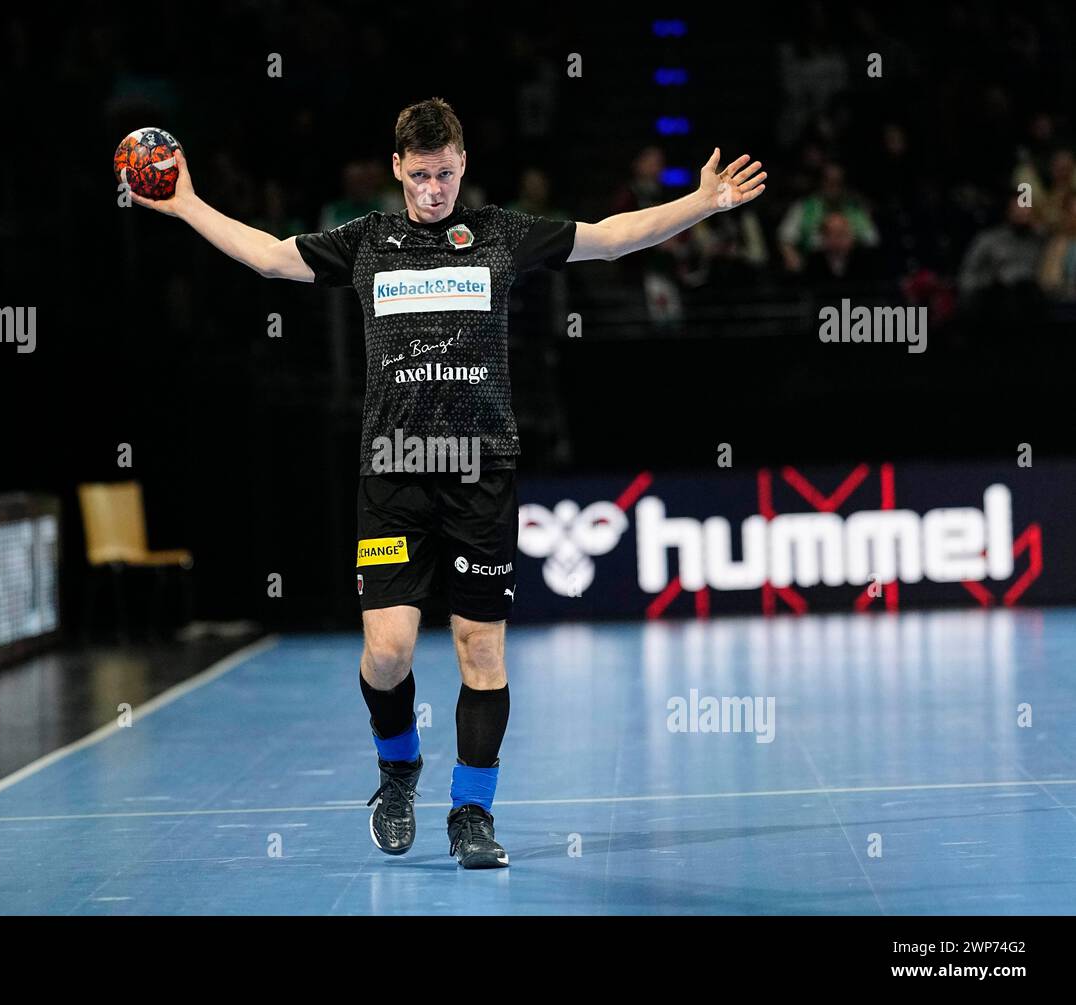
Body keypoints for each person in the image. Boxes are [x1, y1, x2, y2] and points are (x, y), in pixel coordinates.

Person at [129, 97, 765, 868]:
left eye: (447, 174)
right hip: (393, 472)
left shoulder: (498, 233)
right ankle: (398, 770)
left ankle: (472, 812)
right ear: (398, 168)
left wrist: (700, 202)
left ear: (463, 165)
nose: (434, 189)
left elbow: (607, 241)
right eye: (421, 175)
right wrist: (189, 202)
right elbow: (269, 256)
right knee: (389, 652)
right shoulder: (366, 242)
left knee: (480, 651)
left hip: (480, 472)